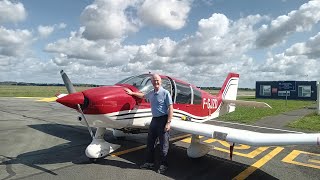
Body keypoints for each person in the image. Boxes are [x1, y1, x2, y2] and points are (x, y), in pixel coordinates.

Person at [125, 74, 173, 174]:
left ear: (161, 81)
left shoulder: (165, 93)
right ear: (151, 82)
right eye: (154, 80)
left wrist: (168, 122)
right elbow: (142, 95)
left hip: (163, 119)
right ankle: (149, 163)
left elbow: (170, 108)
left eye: (157, 80)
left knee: (164, 144)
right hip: (154, 120)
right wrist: (132, 93)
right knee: (150, 143)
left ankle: (164, 164)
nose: (156, 82)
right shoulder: (151, 93)